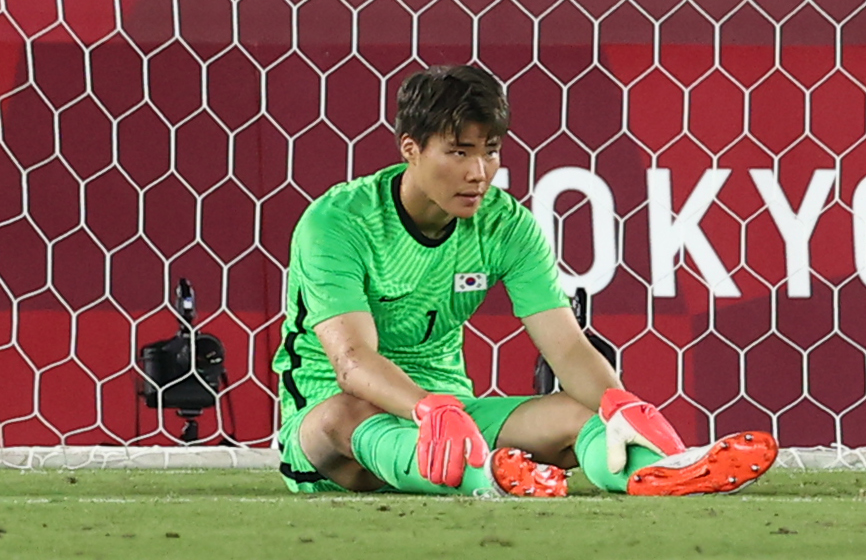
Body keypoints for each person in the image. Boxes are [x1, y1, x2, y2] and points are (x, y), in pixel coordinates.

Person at [275, 64, 778, 499]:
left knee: (577, 415)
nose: (479, 172)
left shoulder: (504, 223)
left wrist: (618, 402)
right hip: (332, 432)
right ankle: (485, 474)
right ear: (411, 148)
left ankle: (656, 472)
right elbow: (352, 362)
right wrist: (427, 408)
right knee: (344, 415)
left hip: (457, 415)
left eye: (490, 151)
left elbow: (565, 345)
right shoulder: (337, 222)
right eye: (458, 152)